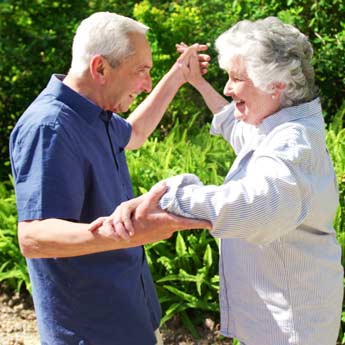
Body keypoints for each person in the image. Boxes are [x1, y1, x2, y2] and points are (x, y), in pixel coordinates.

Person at [98, 17, 344, 345]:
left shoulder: (291, 145)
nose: (228, 88)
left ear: (276, 84)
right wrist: (198, 83)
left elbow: (252, 203)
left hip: (291, 327)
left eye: (236, 78)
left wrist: (169, 196)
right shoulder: (274, 125)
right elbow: (238, 126)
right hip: (283, 318)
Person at [9, 11, 212, 345]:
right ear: (100, 68)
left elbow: (135, 133)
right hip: (93, 331)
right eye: (141, 71)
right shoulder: (50, 128)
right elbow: (34, 237)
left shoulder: (95, 111)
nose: (146, 83)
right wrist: (130, 232)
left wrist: (178, 76)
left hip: (131, 317)